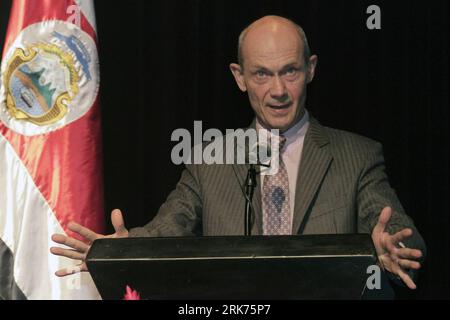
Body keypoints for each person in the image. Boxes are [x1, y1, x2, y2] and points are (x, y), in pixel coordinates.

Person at [51, 15, 426, 290]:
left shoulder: (356, 156)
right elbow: (166, 230)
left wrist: (393, 248)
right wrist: (123, 250)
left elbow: (400, 235)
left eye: (290, 71)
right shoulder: (207, 162)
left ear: (310, 69)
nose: (277, 90)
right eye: (262, 74)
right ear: (239, 76)